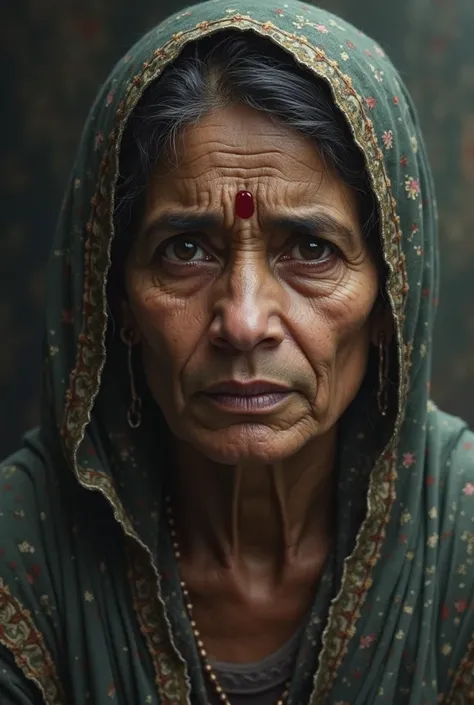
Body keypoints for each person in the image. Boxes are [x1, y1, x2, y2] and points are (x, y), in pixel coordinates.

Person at [1, 0, 474, 703]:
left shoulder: (460, 539)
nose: (245, 320)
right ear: (118, 302)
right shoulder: (23, 546)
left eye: (311, 250)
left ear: (389, 303)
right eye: (185, 250)